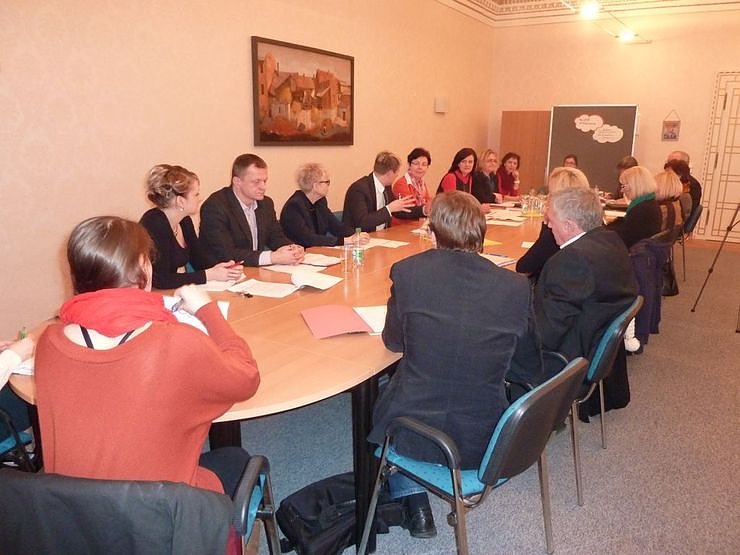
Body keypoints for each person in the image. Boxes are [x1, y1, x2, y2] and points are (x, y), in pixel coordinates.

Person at [34, 216, 260, 501]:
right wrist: (207, 311)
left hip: (70, 511)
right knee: (236, 458)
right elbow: (246, 379)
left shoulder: (49, 343)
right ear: (144, 266)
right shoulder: (176, 341)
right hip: (161, 513)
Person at [369, 191, 542, 539]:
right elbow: (528, 366)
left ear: (434, 233)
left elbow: (394, 342)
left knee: (386, 393)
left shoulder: (408, 272)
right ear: (480, 233)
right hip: (487, 439)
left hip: (413, 432)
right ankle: (412, 498)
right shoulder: (516, 287)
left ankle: (410, 497)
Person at [534, 188, 637, 416]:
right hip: (591, 341)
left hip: (568, 358)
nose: (548, 226)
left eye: (550, 221)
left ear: (569, 225)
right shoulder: (611, 239)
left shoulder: (571, 260)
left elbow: (545, 334)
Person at [140, 164, 244, 289]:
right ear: (181, 201)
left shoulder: (184, 221)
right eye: (196, 194)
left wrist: (220, 268)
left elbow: (198, 259)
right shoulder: (154, 224)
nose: (199, 199)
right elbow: (161, 279)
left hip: (171, 291)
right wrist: (209, 275)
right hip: (152, 292)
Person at [200, 153, 304, 267]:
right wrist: (272, 257)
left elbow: (276, 237)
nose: (263, 187)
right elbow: (227, 253)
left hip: (254, 270)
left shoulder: (266, 204)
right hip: (223, 273)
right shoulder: (215, 207)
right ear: (237, 182)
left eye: (265, 181)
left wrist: (292, 249)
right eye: (256, 182)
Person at [516, 166, 590, 282]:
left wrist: (548, 222)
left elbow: (523, 267)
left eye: (550, 194)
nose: (548, 198)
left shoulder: (560, 229)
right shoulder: (587, 221)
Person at [280, 163, 369, 247]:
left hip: (316, 251)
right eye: (327, 182)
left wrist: (356, 234)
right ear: (315, 186)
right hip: (299, 253)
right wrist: (345, 241)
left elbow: (335, 226)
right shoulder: (294, 207)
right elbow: (308, 238)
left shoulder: (320, 201)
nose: (328, 185)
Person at [342, 151, 417, 232]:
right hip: (359, 237)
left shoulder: (387, 186)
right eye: (396, 172)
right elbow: (362, 222)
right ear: (389, 173)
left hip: (383, 235)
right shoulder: (358, 189)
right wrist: (389, 209)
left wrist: (423, 210)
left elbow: (398, 211)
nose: (397, 175)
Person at [606, 166, 662, 249]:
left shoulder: (642, 209)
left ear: (634, 186)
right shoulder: (649, 203)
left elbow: (626, 237)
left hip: (633, 250)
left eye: (623, 186)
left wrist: (603, 232)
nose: (621, 191)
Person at [391, 148, 433, 226]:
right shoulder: (401, 184)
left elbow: (428, 204)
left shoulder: (422, 184)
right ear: (409, 164)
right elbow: (409, 210)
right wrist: (425, 209)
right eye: (416, 163)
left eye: (424, 164)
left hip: (417, 227)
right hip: (402, 227)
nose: (420, 167)